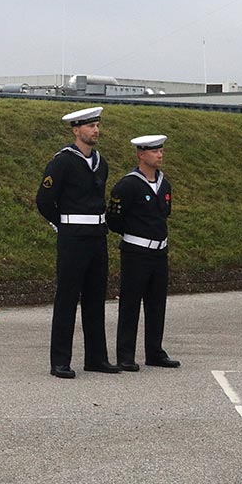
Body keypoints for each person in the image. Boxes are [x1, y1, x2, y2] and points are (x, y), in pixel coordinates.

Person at [35, 106, 120, 378]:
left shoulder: (100, 162)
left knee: (95, 298)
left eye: (97, 125)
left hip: (97, 237)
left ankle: (96, 358)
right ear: (76, 130)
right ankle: (60, 360)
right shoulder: (62, 161)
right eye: (89, 126)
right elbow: (45, 200)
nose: (96, 130)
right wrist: (63, 225)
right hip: (73, 238)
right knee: (68, 299)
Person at [106, 135, 180, 371]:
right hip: (136, 252)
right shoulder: (128, 185)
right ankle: (125, 355)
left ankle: (154, 351)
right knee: (130, 304)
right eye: (154, 151)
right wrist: (134, 233)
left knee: (157, 303)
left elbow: (163, 214)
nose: (160, 155)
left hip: (159, 252)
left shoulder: (164, 184)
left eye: (161, 150)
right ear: (141, 155)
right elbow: (114, 219)